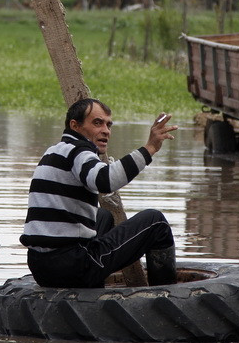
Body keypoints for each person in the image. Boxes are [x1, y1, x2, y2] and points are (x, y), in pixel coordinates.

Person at [20, 97, 178, 288]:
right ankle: (167, 295)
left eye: (108, 125)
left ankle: (94, 284)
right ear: (75, 126)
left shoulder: (54, 152)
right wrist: (150, 148)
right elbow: (105, 180)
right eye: (97, 123)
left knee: (102, 216)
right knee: (156, 222)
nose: (106, 131)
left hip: (41, 266)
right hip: (73, 266)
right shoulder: (79, 151)